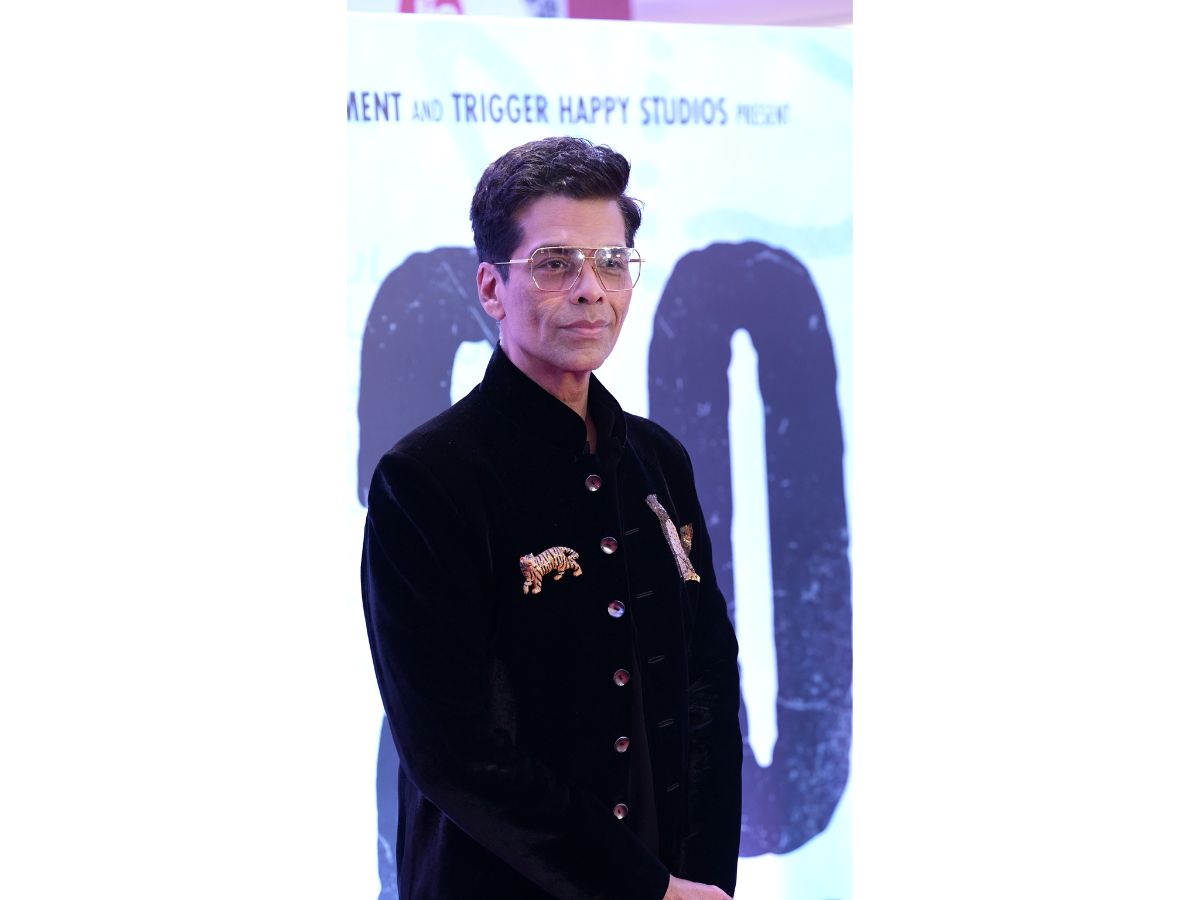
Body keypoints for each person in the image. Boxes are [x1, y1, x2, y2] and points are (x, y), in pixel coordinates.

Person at [361, 136, 742, 900]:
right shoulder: (427, 481)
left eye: (612, 262)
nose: (591, 290)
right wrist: (643, 888)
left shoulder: (659, 461)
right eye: (556, 263)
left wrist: (699, 882)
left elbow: (706, 686)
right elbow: (455, 755)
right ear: (492, 288)